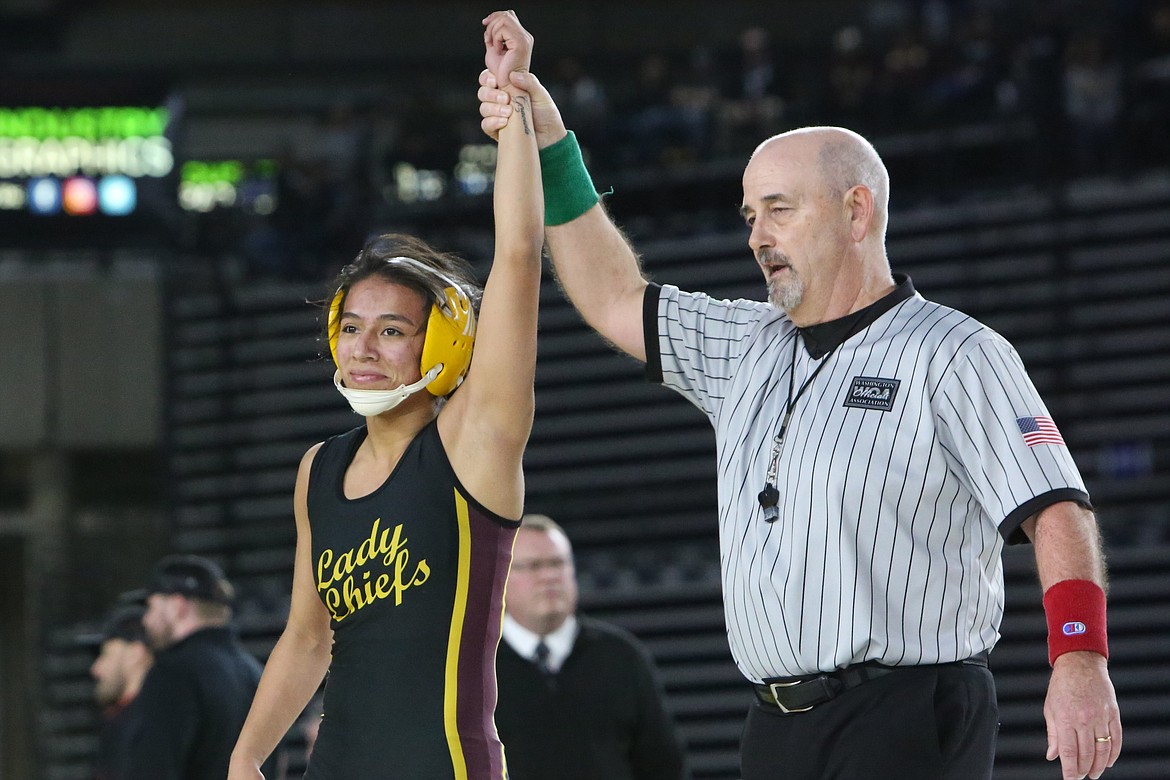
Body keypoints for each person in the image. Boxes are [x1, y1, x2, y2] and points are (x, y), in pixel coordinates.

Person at [476, 13, 1122, 780]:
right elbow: (613, 292)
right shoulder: (743, 345)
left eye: (780, 209)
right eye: (750, 215)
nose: (757, 235)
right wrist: (548, 134)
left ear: (857, 211)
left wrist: (1079, 657)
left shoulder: (955, 352)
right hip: (776, 724)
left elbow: (1056, 506)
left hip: (906, 712)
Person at [228, 10, 543, 780]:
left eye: (393, 331)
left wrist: (516, 119)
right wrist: (243, 759)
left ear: (438, 344)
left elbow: (522, 258)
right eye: (353, 327)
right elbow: (307, 640)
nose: (364, 349)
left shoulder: (476, 440)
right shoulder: (320, 469)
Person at [495, 514, 688, 780]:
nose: (549, 576)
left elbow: (663, 765)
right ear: (500, 578)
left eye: (558, 563)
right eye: (533, 566)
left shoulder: (620, 657)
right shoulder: (475, 667)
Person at [122, 554, 269, 780]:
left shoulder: (173, 672)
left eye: (151, 606)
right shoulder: (256, 673)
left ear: (177, 606)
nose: (146, 620)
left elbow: (152, 769)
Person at [88, 595, 153, 780]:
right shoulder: (118, 718)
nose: (96, 669)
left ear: (135, 653)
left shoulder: (143, 724)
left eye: (106, 654)